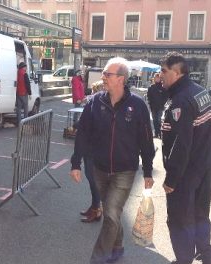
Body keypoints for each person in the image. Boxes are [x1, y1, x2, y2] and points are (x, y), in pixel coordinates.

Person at [69, 57, 155, 264]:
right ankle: (117, 246)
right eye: (104, 74)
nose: (103, 77)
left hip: (124, 171)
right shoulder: (95, 102)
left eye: (108, 74)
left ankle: (98, 259)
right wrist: (75, 163)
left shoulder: (138, 105)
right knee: (112, 211)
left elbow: (146, 140)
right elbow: (82, 134)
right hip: (99, 168)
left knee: (110, 215)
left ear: (121, 79)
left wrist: (149, 171)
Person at [158, 52, 211, 264]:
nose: (160, 75)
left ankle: (184, 259)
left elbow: (181, 144)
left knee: (179, 219)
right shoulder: (200, 91)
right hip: (203, 167)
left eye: (164, 71)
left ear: (177, 72)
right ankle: (207, 256)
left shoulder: (180, 100)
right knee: (200, 214)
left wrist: (171, 179)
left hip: (186, 173)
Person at [70, 79, 102, 223]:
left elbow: (88, 126)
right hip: (90, 149)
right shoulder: (94, 103)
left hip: (95, 151)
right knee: (92, 181)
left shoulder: (102, 105)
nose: (94, 93)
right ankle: (95, 206)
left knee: (94, 181)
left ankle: (97, 209)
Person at [147, 73, 168, 138]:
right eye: (155, 78)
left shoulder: (163, 87)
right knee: (154, 120)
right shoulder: (151, 87)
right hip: (153, 107)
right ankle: (156, 133)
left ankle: (160, 133)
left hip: (160, 107)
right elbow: (149, 97)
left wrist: (162, 103)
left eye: (158, 77)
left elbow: (166, 96)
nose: (157, 79)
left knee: (159, 120)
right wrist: (150, 104)